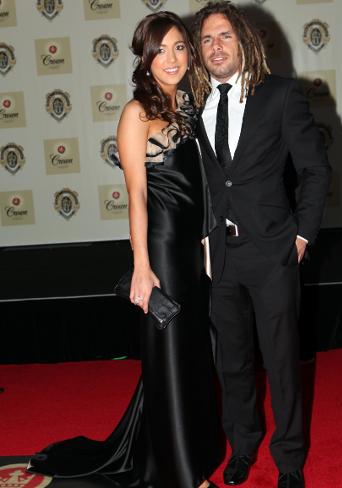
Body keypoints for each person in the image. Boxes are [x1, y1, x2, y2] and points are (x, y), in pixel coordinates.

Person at [27, 11, 224, 488]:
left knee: (193, 354)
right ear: (145, 57)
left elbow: (204, 186)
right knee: (172, 355)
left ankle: (189, 450)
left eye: (181, 47)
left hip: (193, 252)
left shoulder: (190, 107)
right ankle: (182, 474)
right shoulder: (136, 113)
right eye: (162, 50)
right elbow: (136, 194)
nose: (173, 58)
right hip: (159, 251)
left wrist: (207, 245)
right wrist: (141, 266)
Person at [190, 2, 331, 487]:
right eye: (206, 39)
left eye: (224, 36)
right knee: (232, 363)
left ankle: (289, 459)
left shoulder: (281, 95)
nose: (215, 47)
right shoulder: (192, 104)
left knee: (281, 361)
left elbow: (315, 170)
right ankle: (242, 446)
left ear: (244, 40)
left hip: (273, 253)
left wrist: (301, 236)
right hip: (221, 258)